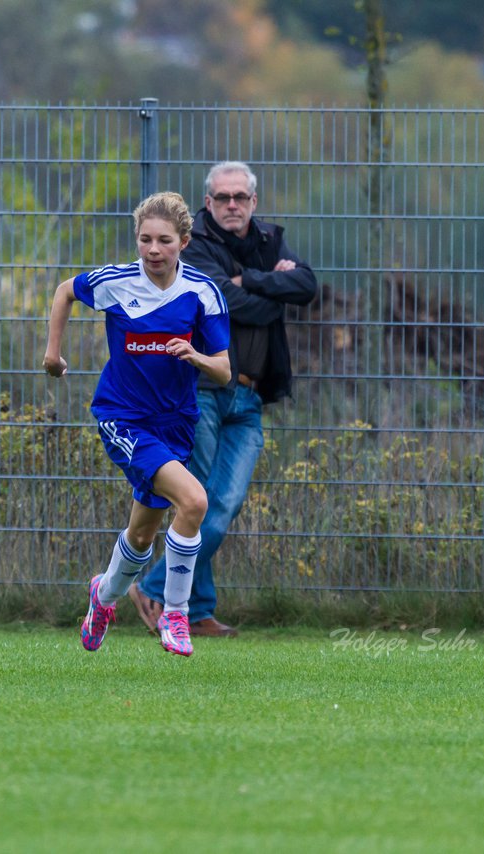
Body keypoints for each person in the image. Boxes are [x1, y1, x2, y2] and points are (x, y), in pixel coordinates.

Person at [128, 161, 318, 638]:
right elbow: (227, 303)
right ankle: (193, 607)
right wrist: (268, 288)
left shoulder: (270, 239)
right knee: (201, 502)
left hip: (250, 395)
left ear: (254, 202)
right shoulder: (196, 244)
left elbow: (307, 287)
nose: (231, 205)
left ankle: (157, 586)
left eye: (240, 197)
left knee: (222, 502)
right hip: (203, 392)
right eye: (222, 197)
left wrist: (249, 281)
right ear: (207, 203)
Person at [43, 191, 231, 657]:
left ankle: (103, 598)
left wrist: (195, 355)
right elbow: (65, 289)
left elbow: (224, 370)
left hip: (177, 422)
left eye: (164, 241)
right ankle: (176, 615)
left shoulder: (202, 293)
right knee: (194, 501)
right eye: (144, 239)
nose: (152, 250)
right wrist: (52, 353)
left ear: (183, 242)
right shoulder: (116, 282)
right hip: (122, 418)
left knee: (144, 534)